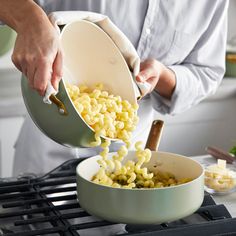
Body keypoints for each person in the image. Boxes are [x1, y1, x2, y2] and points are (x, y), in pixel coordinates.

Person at [0, 0, 228, 175]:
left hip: (128, 153)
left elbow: (206, 71)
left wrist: (162, 75)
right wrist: (29, 19)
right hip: (47, 144)